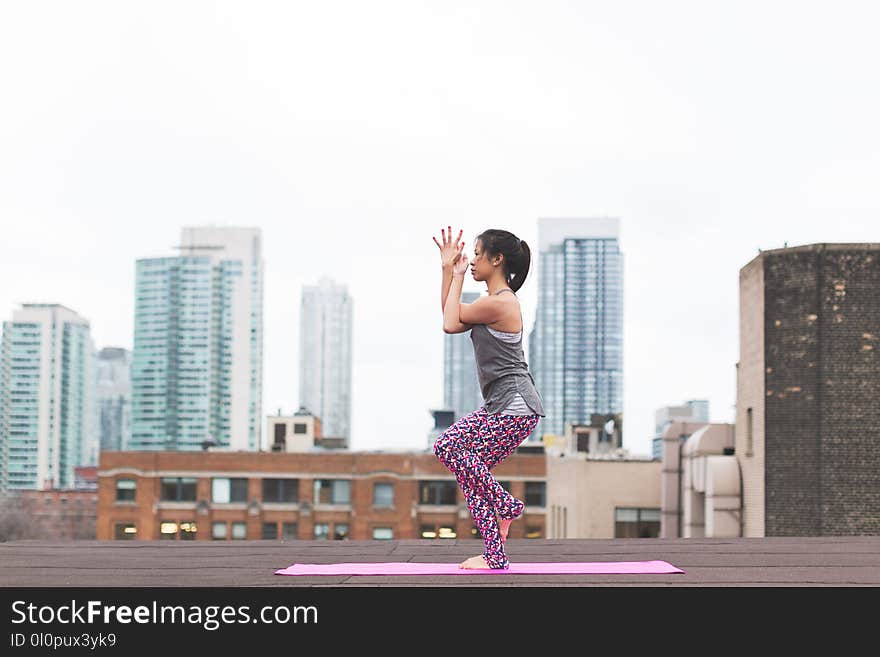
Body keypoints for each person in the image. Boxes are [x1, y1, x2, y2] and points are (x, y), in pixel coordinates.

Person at [431, 226, 546, 570]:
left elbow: (451, 322)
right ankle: (495, 556)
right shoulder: (490, 303)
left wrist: (455, 273)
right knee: (468, 470)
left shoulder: (500, 303)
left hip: (514, 405)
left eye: (478, 254)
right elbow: (450, 314)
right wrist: (447, 272)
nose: (474, 259)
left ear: (497, 260)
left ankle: (506, 504)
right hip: (505, 406)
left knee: (448, 447)